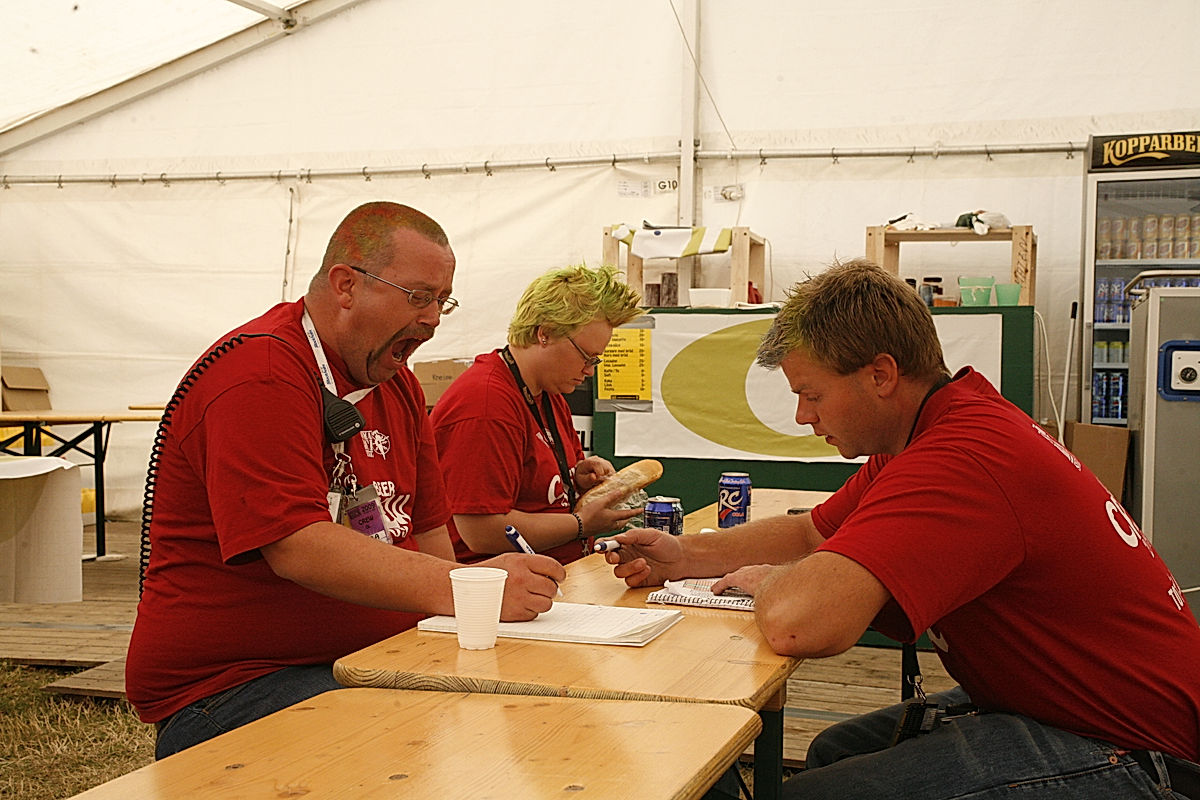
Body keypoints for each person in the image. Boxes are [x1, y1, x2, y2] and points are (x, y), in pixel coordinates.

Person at [604, 259, 1200, 799]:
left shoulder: (962, 458)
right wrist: (682, 556)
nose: (802, 415)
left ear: (881, 375)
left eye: (811, 394)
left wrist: (771, 583)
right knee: (831, 752)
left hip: (1139, 754)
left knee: (816, 796)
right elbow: (814, 534)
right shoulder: (930, 430)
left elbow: (799, 624)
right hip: (1069, 710)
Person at [126, 202, 565, 759]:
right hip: (236, 686)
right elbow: (298, 547)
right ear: (346, 285)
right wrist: (472, 589)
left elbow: (429, 541)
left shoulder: (396, 384)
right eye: (418, 297)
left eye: (441, 301)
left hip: (367, 660)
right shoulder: (261, 372)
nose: (432, 319)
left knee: (529, 728)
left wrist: (468, 606)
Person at [432, 264, 644, 565]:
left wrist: (575, 479)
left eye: (597, 360)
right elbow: (481, 531)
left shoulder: (547, 391)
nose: (589, 370)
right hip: (498, 592)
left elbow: (529, 491)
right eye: (586, 356)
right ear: (543, 334)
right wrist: (582, 524)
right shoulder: (486, 404)